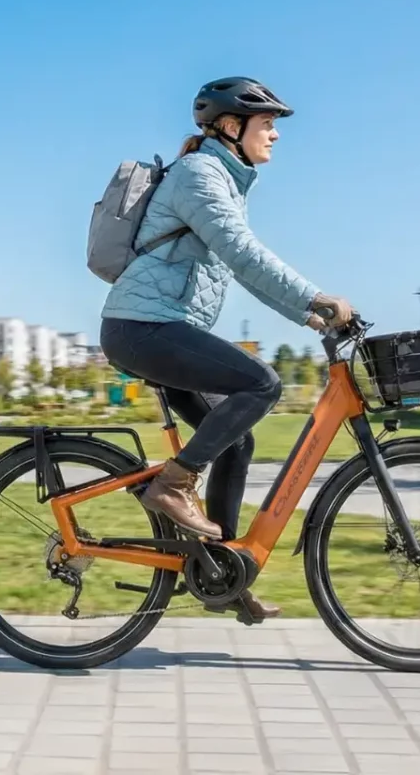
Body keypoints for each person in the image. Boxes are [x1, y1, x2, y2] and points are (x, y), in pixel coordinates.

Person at [100, 76, 353, 624]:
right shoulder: (199, 174)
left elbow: (239, 268)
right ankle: (172, 483)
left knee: (237, 442)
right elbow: (243, 252)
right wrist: (315, 294)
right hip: (142, 326)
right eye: (268, 125)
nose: (276, 136)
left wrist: (306, 315)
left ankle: (222, 575)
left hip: (164, 327)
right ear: (231, 127)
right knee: (262, 384)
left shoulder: (223, 180)